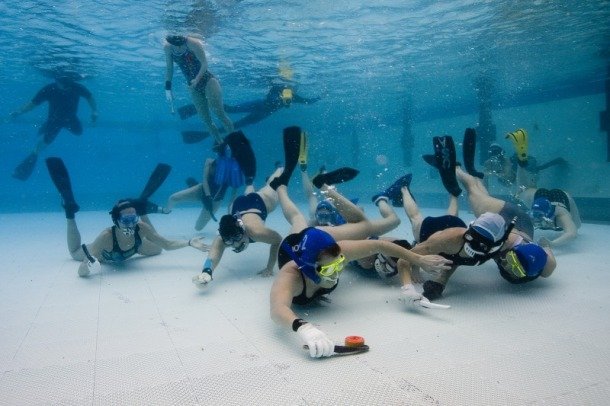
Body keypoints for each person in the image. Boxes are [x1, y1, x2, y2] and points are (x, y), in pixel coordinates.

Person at [265, 125, 452, 358]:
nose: (336, 272)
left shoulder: (339, 251)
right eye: (329, 269)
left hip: (319, 240)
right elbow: (277, 309)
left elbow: (380, 245)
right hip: (292, 246)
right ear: (309, 268)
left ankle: (322, 187)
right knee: (297, 219)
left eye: (339, 264)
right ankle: (282, 187)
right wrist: (303, 327)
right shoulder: (291, 276)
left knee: (365, 226)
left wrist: (418, 259)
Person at [44, 158, 208, 277]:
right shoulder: (105, 237)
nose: (131, 225)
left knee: (157, 249)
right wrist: (89, 264)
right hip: (105, 253)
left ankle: (142, 209)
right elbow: (81, 273)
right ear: (116, 221)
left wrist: (189, 243)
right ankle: (70, 213)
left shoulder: (141, 228)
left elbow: (166, 244)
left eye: (134, 219)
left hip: (134, 248)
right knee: (74, 252)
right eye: (126, 221)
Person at [191, 167, 285, 286]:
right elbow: (212, 258)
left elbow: (277, 240)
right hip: (237, 204)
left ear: (242, 229)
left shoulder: (256, 231)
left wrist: (269, 268)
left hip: (260, 201)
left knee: (274, 185)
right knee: (247, 195)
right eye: (229, 241)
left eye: (237, 237)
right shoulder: (223, 237)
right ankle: (249, 184)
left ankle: (279, 169)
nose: (235, 244)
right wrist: (206, 273)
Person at [10, 75, 98, 181]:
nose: (66, 88)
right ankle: (30, 160)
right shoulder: (49, 89)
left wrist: (94, 111)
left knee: (79, 131)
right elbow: (33, 104)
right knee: (44, 143)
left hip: (70, 119)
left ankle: (48, 128)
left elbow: (89, 97)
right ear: (57, 80)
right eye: (64, 85)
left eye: (68, 85)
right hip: (55, 120)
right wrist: (19, 111)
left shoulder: (76, 86)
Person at [166, 130, 257, 230]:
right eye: (217, 150)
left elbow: (233, 195)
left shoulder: (233, 169)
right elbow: (205, 180)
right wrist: (207, 196)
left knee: (198, 228)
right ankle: (166, 211)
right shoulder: (209, 161)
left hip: (216, 201)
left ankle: (194, 188)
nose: (219, 153)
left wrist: (232, 214)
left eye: (221, 149)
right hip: (201, 190)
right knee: (173, 198)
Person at [164, 34, 234, 143]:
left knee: (220, 114)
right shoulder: (168, 48)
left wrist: (197, 79)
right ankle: (221, 144)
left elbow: (204, 64)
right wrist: (167, 89)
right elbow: (169, 68)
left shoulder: (193, 43)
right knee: (206, 120)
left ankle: (235, 143)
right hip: (193, 86)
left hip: (208, 81)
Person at [178, 82, 320, 129]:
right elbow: (270, 95)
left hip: (263, 112)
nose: (293, 90)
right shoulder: (279, 87)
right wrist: (279, 98)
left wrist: (321, 96)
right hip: (260, 106)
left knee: (237, 125)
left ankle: (210, 134)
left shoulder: (294, 97)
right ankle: (201, 105)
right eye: (292, 88)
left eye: (294, 89)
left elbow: (308, 101)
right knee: (231, 110)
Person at [517, 186, 582, 247]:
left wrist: (552, 243)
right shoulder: (530, 213)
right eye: (535, 215)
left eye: (540, 217)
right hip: (540, 194)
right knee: (523, 193)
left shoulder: (561, 215)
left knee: (577, 225)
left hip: (562, 196)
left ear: (548, 216)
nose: (537, 220)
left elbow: (572, 234)